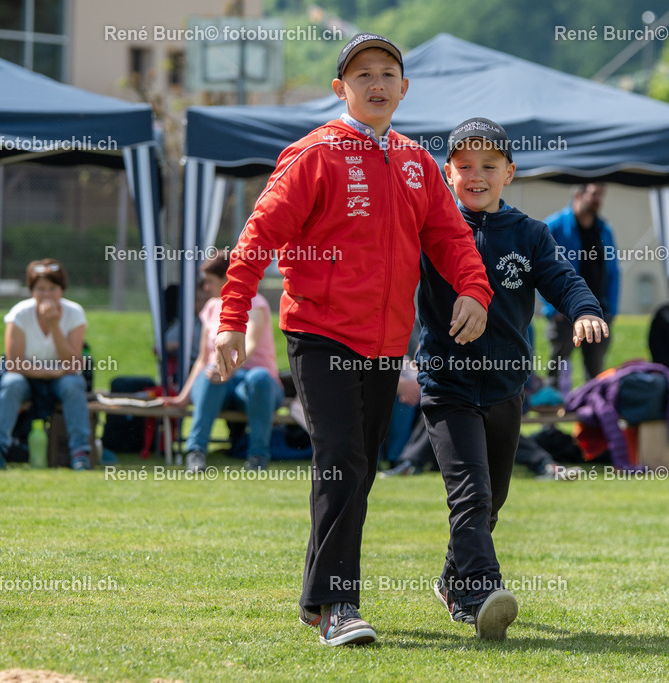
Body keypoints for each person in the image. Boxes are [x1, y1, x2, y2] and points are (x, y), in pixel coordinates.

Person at [209, 33, 492, 646]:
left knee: (356, 473)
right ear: (341, 89)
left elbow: (451, 239)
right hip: (321, 333)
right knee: (342, 464)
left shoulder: (417, 163)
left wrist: (475, 289)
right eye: (363, 74)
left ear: (404, 87)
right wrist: (231, 317)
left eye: (388, 72)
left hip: (388, 341)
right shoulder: (315, 155)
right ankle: (341, 607)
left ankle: (316, 599)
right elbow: (257, 237)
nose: (377, 82)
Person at [418, 118, 607, 639]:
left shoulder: (530, 234)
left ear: (509, 172)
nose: (476, 175)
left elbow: (563, 279)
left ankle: (452, 580)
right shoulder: (431, 229)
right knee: (471, 493)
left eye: (488, 166)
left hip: (505, 388)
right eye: (464, 166)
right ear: (448, 173)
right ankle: (483, 590)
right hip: (447, 385)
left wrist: (584, 309)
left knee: (492, 500)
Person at [166, 255, 283, 472]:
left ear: (227, 278)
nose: (206, 287)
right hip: (220, 383)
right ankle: (196, 452)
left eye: (209, 280)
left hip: (254, 386)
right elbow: (203, 358)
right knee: (212, 371)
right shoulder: (210, 307)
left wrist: (226, 369)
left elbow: (249, 346)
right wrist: (183, 397)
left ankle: (258, 456)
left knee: (258, 377)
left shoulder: (255, 304)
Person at [0, 259, 93, 470]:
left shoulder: (74, 313)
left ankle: (80, 453)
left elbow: (73, 363)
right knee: (11, 383)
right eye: (41, 289)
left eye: (53, 288)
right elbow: (13, 363)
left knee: (73, 385)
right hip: (27, 377)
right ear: (31, 290)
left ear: (62, 289)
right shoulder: (19, 314)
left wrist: (54, 324)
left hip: (61, 378)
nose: (47, 295)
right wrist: (49, 372)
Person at [542, 183, 618, 392]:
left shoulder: (604, 229)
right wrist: (551, 308)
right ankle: (551, 421)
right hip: (563, 312)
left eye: (601, 195)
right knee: (557, 369)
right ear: (578, 194)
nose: (597, 200)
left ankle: (592, 418)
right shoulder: (554, 226)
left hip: (598, 312)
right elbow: (540, 269)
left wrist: (611, 309)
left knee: (595, 372)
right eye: (594, 194)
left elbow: (613, 271)